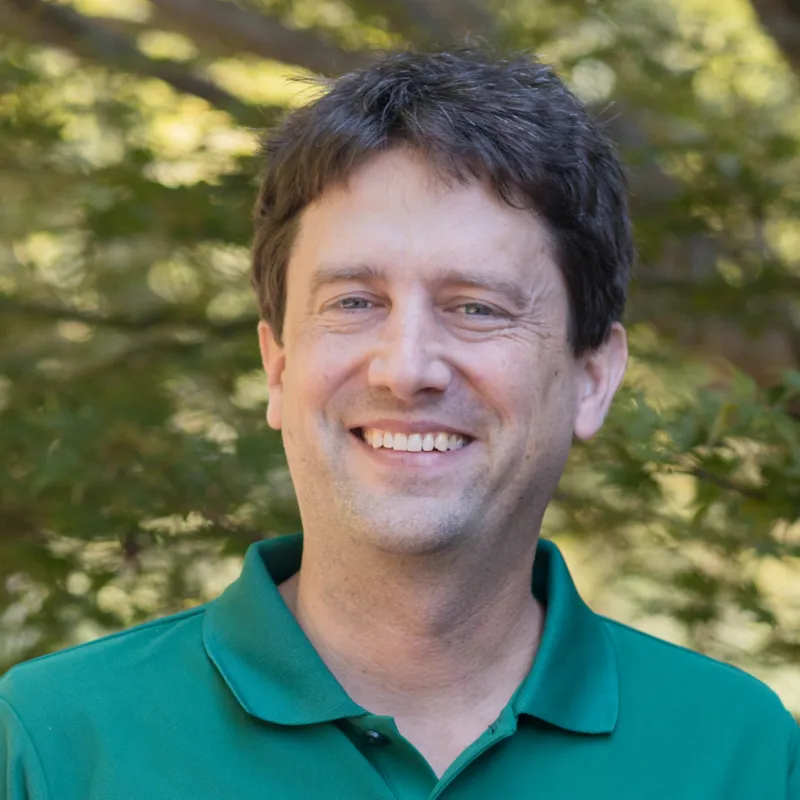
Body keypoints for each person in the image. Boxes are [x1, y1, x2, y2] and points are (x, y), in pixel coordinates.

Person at [1, 45, 797, 800]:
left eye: (476, 308)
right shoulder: (51, 742)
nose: (406, 367)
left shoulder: (740, 752)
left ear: (592, 379)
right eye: (354, 303)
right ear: (278, 365)